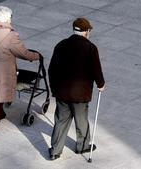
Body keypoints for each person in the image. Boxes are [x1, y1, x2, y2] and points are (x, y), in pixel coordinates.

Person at [48, 18, 105, 160]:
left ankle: (55, 151)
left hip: (62, 93)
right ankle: (83, 146)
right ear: (87, 32)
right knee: (81, 121)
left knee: (61, 120)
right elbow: (96, 70)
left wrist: (54, 88)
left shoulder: (61, 45)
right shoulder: (90, 48)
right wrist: (101, 84)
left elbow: (52, 69)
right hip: (80, 95)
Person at [0, 6, 40, 134]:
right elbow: (23, 53)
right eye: (11, 17)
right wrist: (37, 56)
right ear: (6, 19)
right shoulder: (10, 35)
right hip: (2, 72)